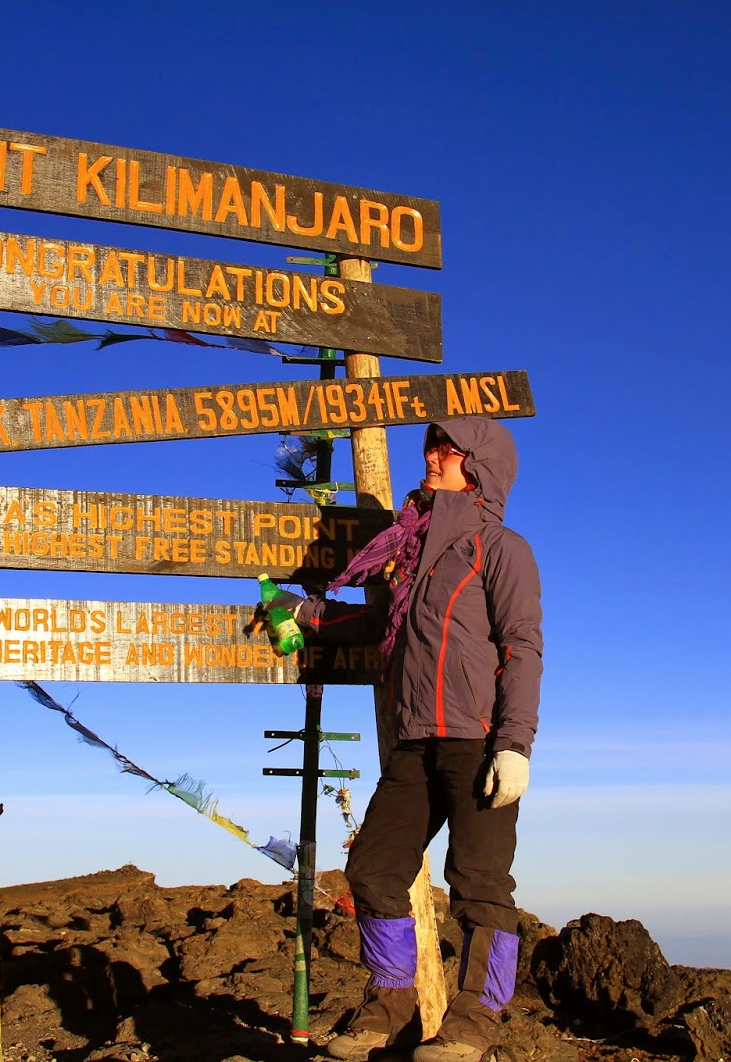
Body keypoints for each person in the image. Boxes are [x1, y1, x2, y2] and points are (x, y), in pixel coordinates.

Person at [278, 417, 543, 1062]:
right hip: (413, 741)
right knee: (372, 867)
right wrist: (306, 613)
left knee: (478, 881)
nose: (432, 455)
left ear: (476, 467)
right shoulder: (411, 549)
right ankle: (391, 1006)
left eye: (447, 450)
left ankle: (475, 1020)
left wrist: (515, 744)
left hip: (476, 740)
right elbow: (376, 621)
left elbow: (522, 647)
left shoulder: (500, 548)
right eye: (431, 446)